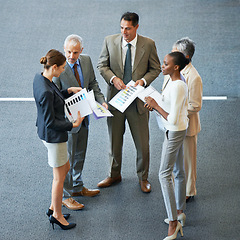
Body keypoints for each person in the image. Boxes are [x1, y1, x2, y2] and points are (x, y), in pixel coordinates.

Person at [97, 12, 161, 193]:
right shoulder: (110, 41)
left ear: (136, 27)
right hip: (116, 101)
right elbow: (102, 65)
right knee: (114, 142)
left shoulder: (148, 44)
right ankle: (114, 174)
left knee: (143, 144)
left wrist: (143, 81)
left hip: (137, 103)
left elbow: (155, 68)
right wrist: (113, 79)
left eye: (128, 28)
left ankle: (143, 178)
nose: (124, 32)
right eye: (122, 28)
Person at [53, 34, 108, 210]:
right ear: (64, 49)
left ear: (81, 51)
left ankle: (77, 187)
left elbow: (93, 84)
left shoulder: (86, 61)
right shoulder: (59, 68)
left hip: (85, 118)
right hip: (68, 122)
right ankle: (67, 195)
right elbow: (54, 94)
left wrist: (101, 101)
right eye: (68, 51)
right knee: (67, 158)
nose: (71, 56)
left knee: (79, 154)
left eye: (75, 52)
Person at [33, 49, 84, 230]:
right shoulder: (46, 91)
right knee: (59, 177)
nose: (63, 70)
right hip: (54, 138)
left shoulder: (41, 78)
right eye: (62, 68)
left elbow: (55, 95)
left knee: (66, 168)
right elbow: (50, 123)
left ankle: (52, 207)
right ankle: (57, 215)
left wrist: (68, 90)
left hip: (49, 135)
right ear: (54, 67)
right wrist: (73, 124)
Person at [144, 52, 189, 239]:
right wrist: (155, 102)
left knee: (164, 174)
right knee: (178, 171)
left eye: (165, 64)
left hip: (175, 131)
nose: (162, 66)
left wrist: (155, 105)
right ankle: (179, 212)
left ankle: (173, 222)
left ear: (176, 67)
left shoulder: (178, 86)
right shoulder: (174, 80)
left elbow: (171, 117)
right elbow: (170, 106)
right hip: (177, 129)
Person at [163, 37, 203, 201]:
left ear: (185, 58)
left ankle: (188, 192)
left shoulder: (193, 77)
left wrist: (175, 110)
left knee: (187, 161)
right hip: (171, 123)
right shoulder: (172, 70)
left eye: (175, 52)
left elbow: (195, 105)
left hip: (186, 127)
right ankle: (178, 188)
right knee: (176, 162)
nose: (170, 55)